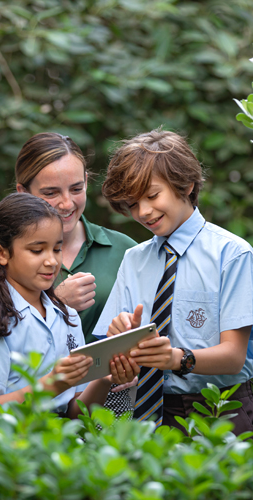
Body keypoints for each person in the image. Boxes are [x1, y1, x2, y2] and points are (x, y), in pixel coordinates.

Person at [92, 128, 253, 435]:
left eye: (152, 195)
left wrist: (176, 359)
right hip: (143, 413)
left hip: (219, 412)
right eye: (133, 204)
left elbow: (234, 356)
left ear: (186, 184)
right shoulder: (134, 259)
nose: (144, 212)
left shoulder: (232, 254)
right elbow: (108, 356)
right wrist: (117, 339)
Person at [0, 193, 140, 416]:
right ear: (0, 253)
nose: (51, 261)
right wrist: (52, 384)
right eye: (37, 250)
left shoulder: (68, 316)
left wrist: (105, 379)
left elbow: (74, 411)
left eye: (57, 248)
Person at [15, 132, 137, 417]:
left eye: (76, 188)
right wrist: (55, 301)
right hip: (30, 405)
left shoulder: (125, 250)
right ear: (23, 192)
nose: (67, 203)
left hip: (111, 403)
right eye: (50, 192)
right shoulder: (2, 254)